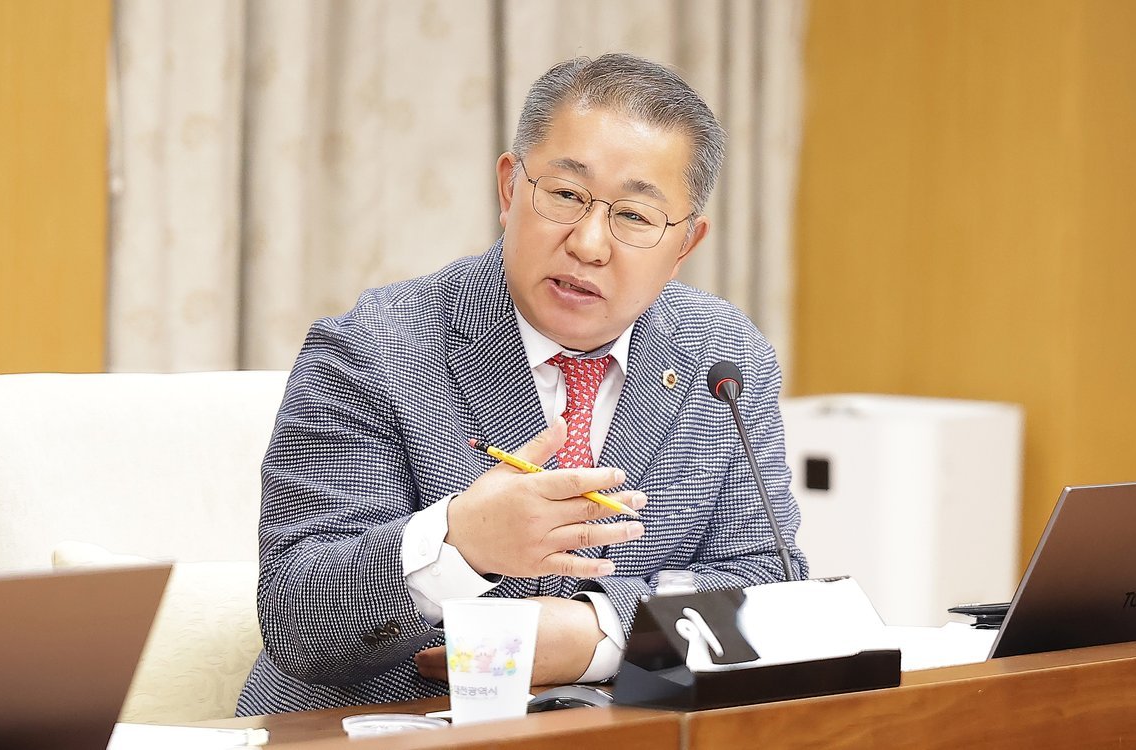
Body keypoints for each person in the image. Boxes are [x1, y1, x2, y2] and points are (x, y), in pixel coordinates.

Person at [236, 52, 807, 716]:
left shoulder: (725, 358)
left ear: (684, 244)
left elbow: (770, 586)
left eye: (634, 216)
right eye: (564, 195)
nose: (589, 244)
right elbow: (297, 620)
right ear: (510, 190)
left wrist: (600, 633)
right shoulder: (373, 348)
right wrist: (459, 544)